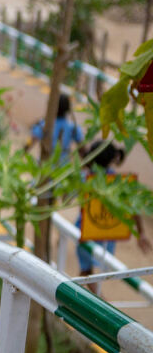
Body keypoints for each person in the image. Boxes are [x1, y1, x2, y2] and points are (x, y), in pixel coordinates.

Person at [75, 140, 151, 280]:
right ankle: (101, 299)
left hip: (85, 230)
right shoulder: (118, 182)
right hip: (106, 234)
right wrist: (141, 233)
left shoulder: (84, 178)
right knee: (92, 274)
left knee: (86, 272)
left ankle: (99, 300)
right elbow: (132, 208)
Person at [29, 94, 84, 165]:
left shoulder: (44, 124)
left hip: (45, 165)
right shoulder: (73, 128)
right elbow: (82, 148)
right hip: (63, 168)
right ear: (68, 109)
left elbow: (31, 141)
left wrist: (21, 154)